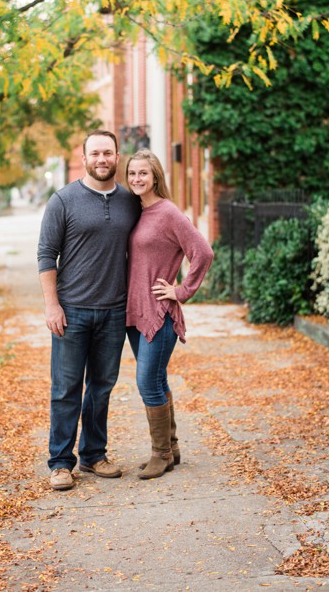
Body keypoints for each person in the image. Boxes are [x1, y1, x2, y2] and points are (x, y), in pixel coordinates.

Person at [38, 130, 142, 491]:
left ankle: (94, 454)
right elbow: (45, 255)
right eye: (95, 153)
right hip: (73, 311)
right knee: (66, 388)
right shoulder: (63, 201)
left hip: (114, 311)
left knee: (102, 387)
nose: (102, 159)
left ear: (117, 157)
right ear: (84, 158)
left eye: (108, 153)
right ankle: (61, 463)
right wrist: (52, 305)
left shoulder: (131, 202)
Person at [124, 149, 214, 479]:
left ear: (156, 177)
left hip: (159, 312)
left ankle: (159, 454)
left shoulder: (168, 213)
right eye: (132, 173)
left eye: (143, 174)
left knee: (147, 380)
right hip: (134, 313)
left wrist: (181, 291)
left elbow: (202, 252)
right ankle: (171, 449)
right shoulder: (136, 212)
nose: (136, 179)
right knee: (157, 378)